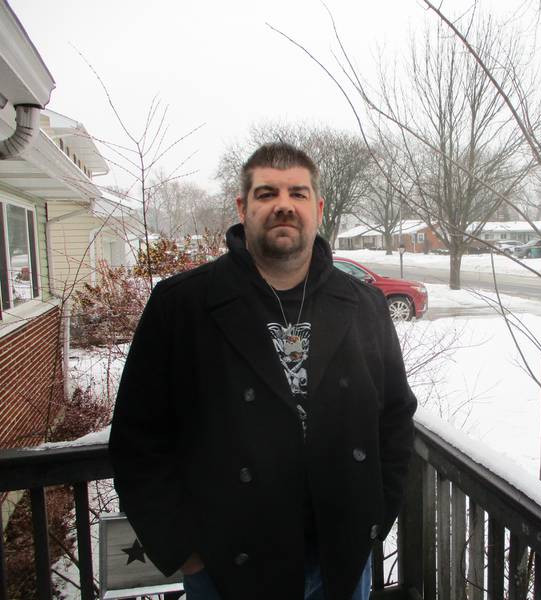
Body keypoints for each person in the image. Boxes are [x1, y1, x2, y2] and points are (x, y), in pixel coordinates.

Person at [109, 142, 418, 599]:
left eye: (297, 193)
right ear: (242, 206)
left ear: (318, 206)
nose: (283, 206)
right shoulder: (183, 304)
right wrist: (183, 548)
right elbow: (139, 439)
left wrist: (376, 516)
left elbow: (394, 417)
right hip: (228, 568)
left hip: (341, 561)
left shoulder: (364, 304)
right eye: (267, 193)